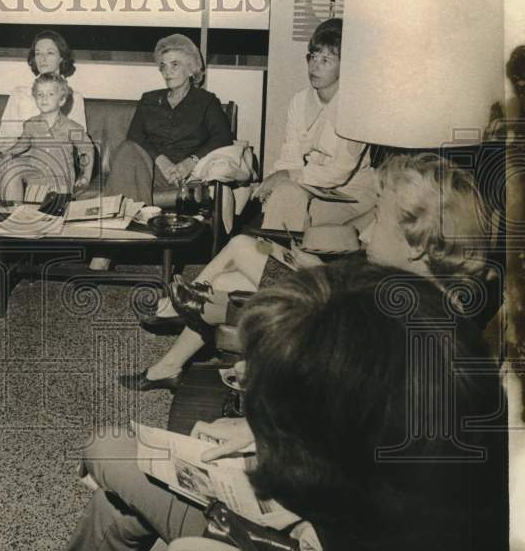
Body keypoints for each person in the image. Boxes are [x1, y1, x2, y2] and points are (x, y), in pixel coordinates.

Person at [57, 261, 506, 551]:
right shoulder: (427, 392)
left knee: (110, 448)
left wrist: (270, 472)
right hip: (323, 535)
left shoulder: (364, 545)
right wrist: (261, 435)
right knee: (117, 506)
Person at [122, 152, 494, 391]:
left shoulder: (412, 330)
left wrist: (315, 277)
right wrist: (321, 269)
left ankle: (197, 317)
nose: (365, 232)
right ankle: (182, 341)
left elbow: (328, 334)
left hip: (310, 319)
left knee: (233, 269)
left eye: (377, 218)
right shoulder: (409, 288)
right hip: (318, 297)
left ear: (416, 243)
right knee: (233, 270)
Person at [88, 34, 233, 270]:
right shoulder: (149, 99)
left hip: (187, 175)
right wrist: (161, 159)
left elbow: (222, 137)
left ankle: (116, 247)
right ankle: (109, 245)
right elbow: (135, 136)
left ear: (191, 68)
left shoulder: (206, 102)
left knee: (129, 157)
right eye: (163, 66)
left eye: (175, 64)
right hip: (148, 169)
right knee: (127, 150)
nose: (167, 71)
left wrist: (189, 162)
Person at [252, 18, 376, 231]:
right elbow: (290, 155)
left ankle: (275, 255)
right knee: (283, 197)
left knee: (297, 212)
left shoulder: (356, 109)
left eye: (326, 60)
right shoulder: (299, 101)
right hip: (308, 185)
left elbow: (340, 172)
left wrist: (289, 177)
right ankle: (274, 255)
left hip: (350, 194)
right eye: (313, 56)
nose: (315, 66)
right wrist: (276, 181)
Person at [0, 30, 86, 201]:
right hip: (19, 156)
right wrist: (16, 152)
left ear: (62, 58)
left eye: (50, 53)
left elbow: (78, 147)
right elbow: (4, 138)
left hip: (55, 162)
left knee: (12, 171)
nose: (42, 58)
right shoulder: (19, 94)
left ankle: (16, 221)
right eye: (38, 53)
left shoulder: (73, 97)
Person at [0, 74, 94, 200]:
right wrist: (9, 154)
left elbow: (88, 150)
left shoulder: (71, 127)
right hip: (35, 175)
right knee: (10, 169)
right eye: (40, 94)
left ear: (62, 100)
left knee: (42, 211)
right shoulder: (31, 124)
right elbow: (23, 144)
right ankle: (13, 211)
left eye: (50, 94)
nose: (44, 98)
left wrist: (85, 177)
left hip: (60, 180)